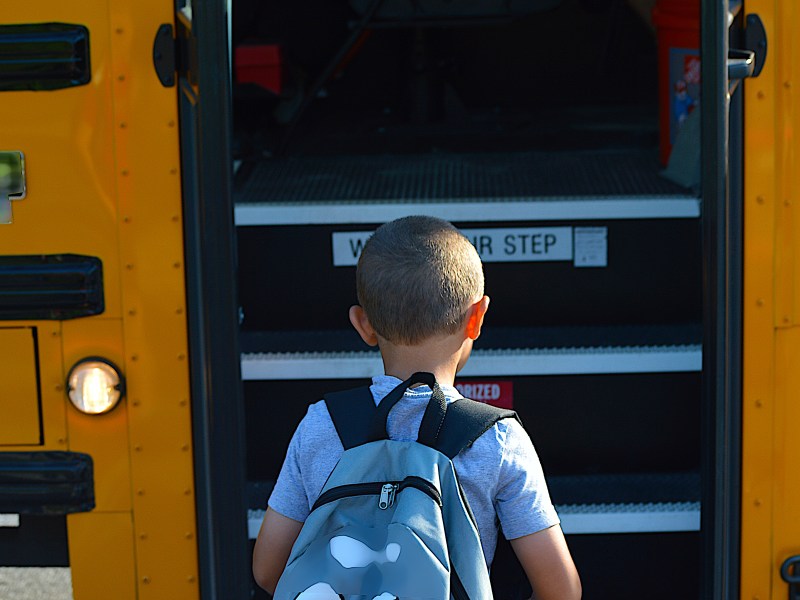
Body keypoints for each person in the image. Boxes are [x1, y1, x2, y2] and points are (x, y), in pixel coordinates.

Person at [252, 215, 581, 599]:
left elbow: (268, 569)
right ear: (477, 318)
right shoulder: (497, 440)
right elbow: (561, 589)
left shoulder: (322, 424)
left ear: (363, 325)